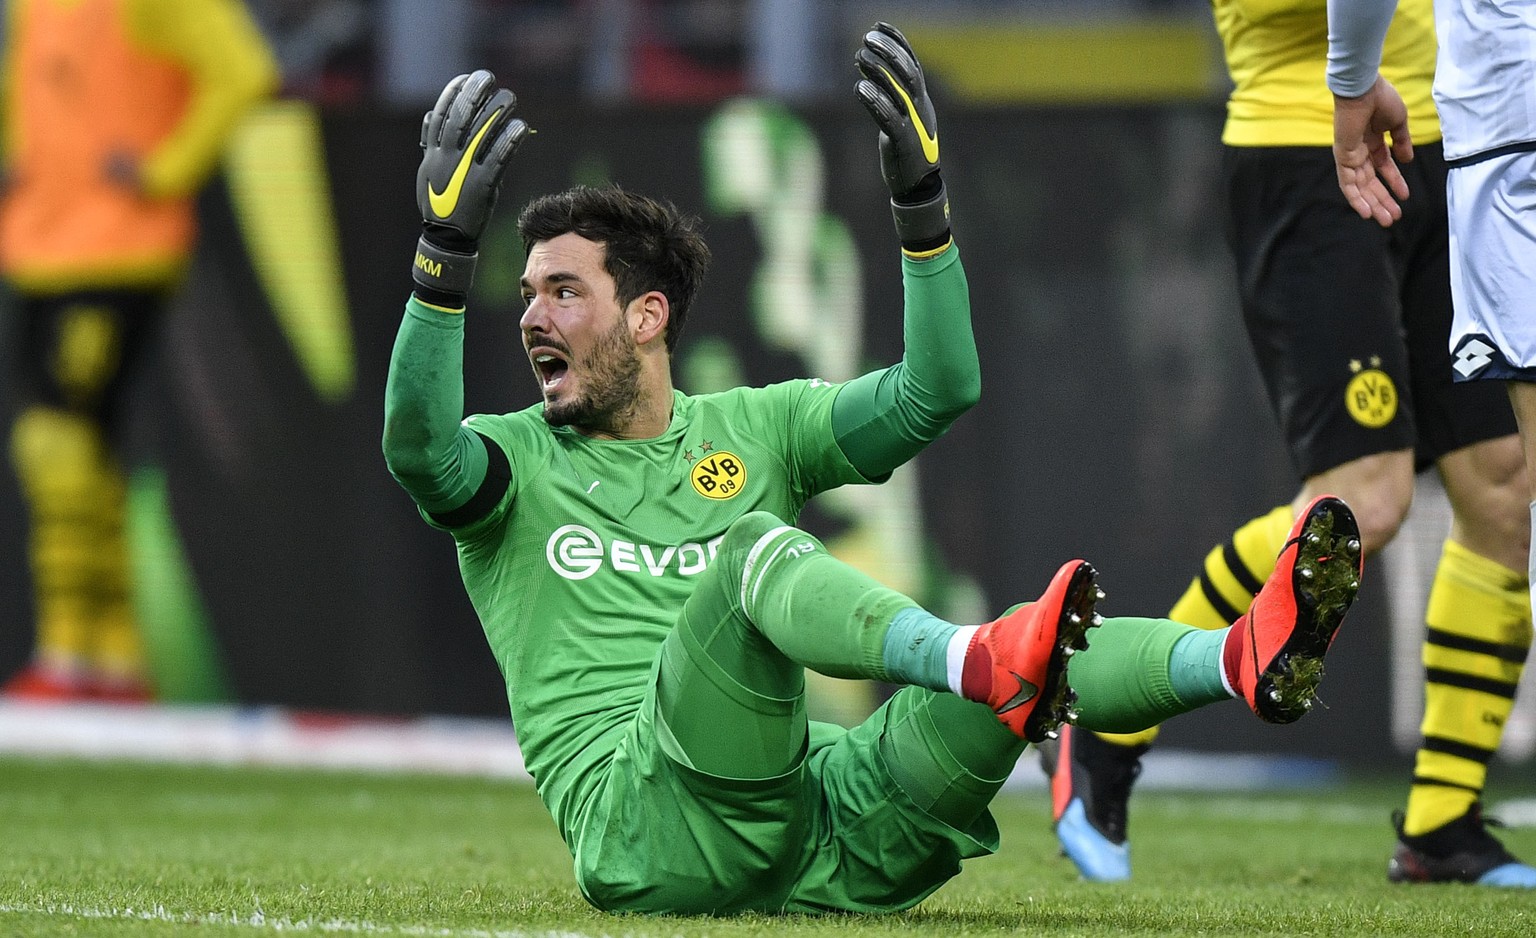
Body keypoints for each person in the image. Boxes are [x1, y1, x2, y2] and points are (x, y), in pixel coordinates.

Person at [382, 24, 1364, 915]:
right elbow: (420, 449)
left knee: (1041, 640)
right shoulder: (511, 461)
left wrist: (923, 210)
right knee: (761, 550)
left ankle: (1238, 658)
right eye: (527, 294)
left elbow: (936, 389)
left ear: (647, 317)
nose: (531, 317)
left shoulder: (756, 425)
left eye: (564, 290)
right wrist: (442, 256)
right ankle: (976, 659)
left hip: (823, 824)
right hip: (646, 823)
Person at [1038, 0, 1535, 888]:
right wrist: (1354, 77)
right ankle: (1109, 721)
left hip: (1449, 154)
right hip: (1309, 148)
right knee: (1364, 502)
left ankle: (1443, 824)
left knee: (1502, 486)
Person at [0, 0, 279, 701]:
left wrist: (164, 167)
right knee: (75, 446)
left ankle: (72, 654)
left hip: (117, 247)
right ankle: (109, 656)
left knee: (57, 442)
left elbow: (243, 71)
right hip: (39, 248)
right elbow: (27, 84)